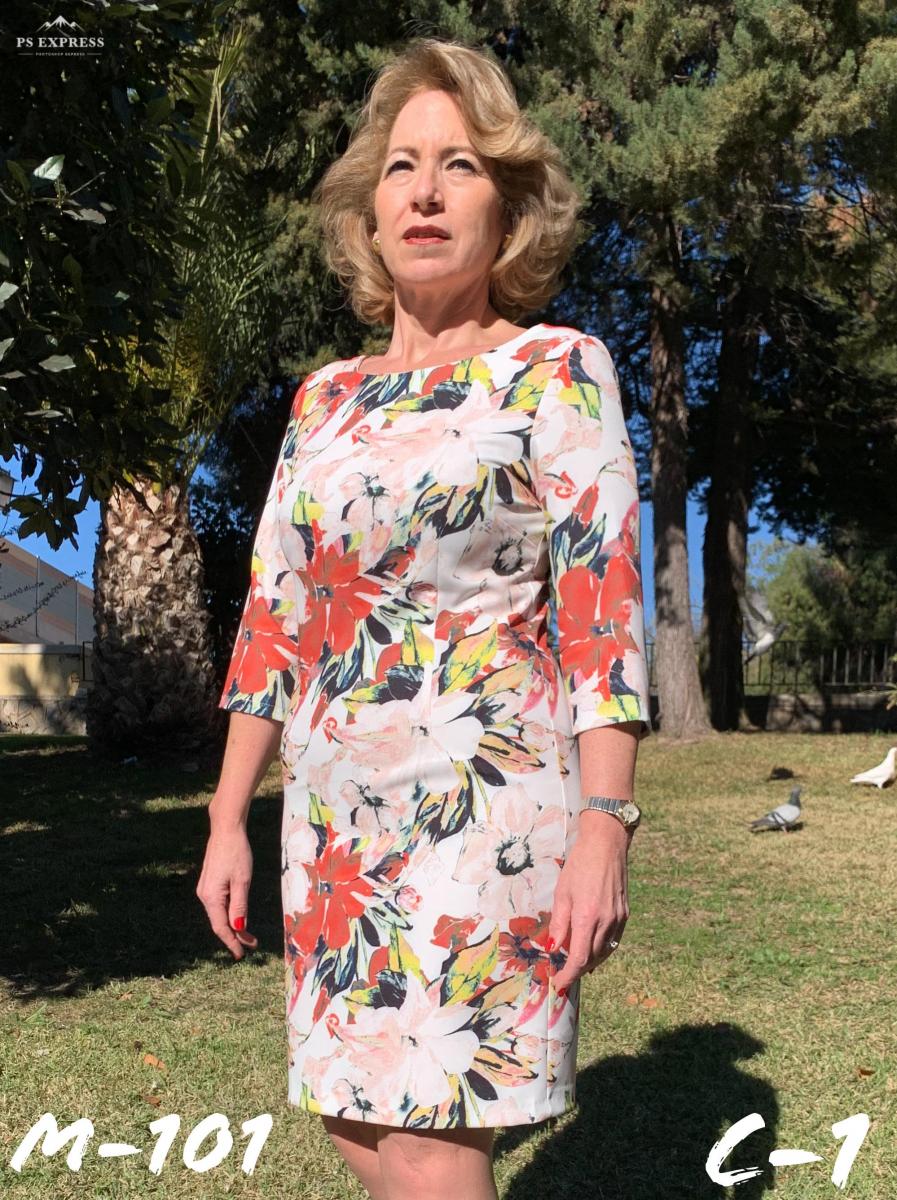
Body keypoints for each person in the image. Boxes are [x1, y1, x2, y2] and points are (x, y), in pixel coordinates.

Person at [197, 35, 652, 1200]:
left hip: (484, 810)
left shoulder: (559, 370)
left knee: (434, 1144)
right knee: (352, 1113)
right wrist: (228, 815)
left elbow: (602, 616)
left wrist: (605, 825)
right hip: (336, 825)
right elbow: (276, 613)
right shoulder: (324, 400)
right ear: (371, 208)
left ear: (509, 208)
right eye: (403, 166)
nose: (427, 192)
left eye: (460, 165)